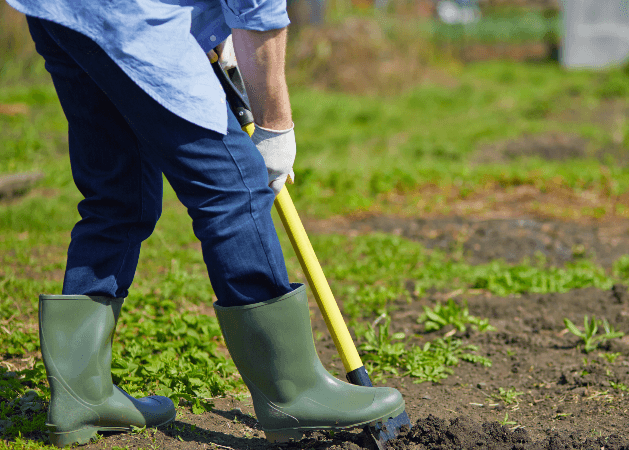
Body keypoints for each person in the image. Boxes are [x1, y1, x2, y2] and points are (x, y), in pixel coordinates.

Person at [5, 0, 406, 447]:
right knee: (234, 186)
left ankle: (82, 396)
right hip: (131, 19)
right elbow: (257, 8)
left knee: (116, 197)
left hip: (58, 11)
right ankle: (292, 391)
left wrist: (217, 31)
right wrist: (275, 125)